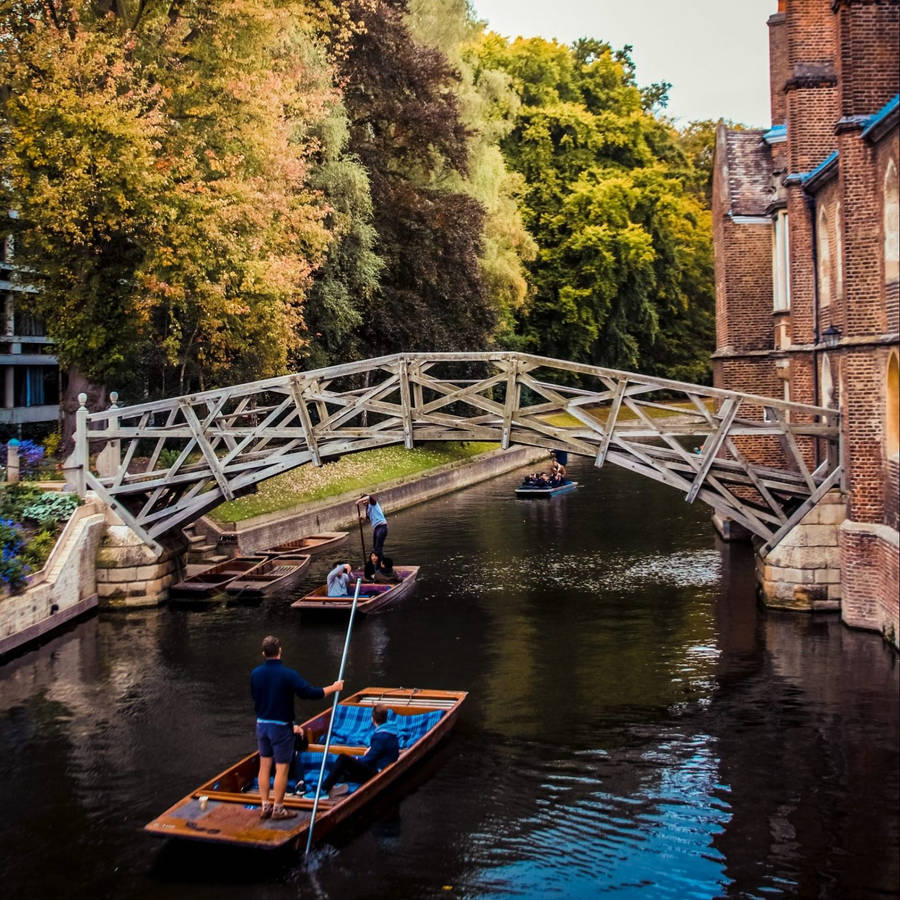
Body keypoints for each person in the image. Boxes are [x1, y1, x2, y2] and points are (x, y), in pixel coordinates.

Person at [250, 635, 343, 821]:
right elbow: (310, 693)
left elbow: (257, 698)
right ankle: (278, 808)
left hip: (262, 725)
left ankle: (264, 805)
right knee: (282, 768)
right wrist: (334, 688)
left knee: (264, 766)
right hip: (281, 728)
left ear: (263, 653)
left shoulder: (255, 674)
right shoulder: (287, 674)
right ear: (280, 651)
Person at [319, 704, 399, 799]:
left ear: (372, 719)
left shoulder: (381, 737)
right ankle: (336, 789)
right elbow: (380, 750)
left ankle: (323, 790)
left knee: (343, 759)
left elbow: (367, 760)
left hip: (378, 773)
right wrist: (371, 750)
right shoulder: (391, 731)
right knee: (343, 769)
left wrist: (356, 758)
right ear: (386, 718)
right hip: (382, 766)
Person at [356, 492, 388, 557]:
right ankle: (378, 563)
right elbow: (368, 518)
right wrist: (361, 518)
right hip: (376, 528)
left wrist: (359, 500)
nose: (364, 502)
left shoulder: (373, 503)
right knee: (375, 547)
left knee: (378, 547)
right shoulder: (367, 509)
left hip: (382, 527)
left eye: (365, 500)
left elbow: (369, 497)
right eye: (363, 501)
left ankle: (381, 564)